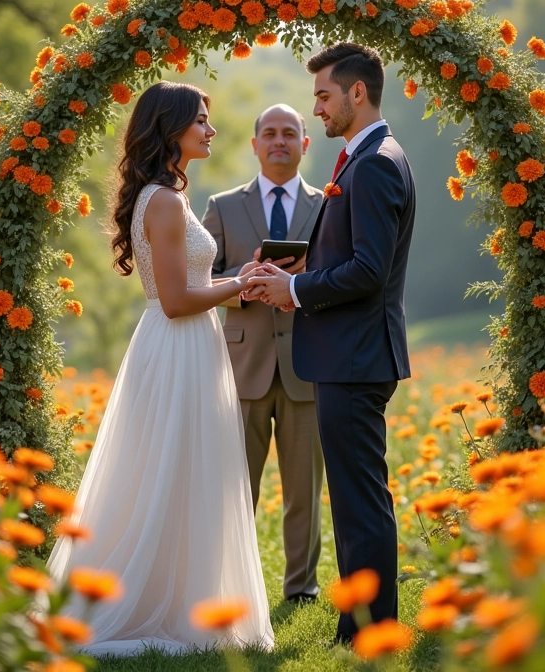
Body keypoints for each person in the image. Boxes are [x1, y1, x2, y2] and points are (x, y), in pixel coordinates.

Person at [47, 81, 274, 656]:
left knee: (179, 472)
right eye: (201, 120)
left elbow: (191, 288)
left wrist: (236, 284)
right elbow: (176, 300)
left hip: (180, 343)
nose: (211, 130)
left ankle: (179, 595)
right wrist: (239, 284)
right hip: (177, 344)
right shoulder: (167, 201)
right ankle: (161, 605)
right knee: (176, 468)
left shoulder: (163, 195)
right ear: (170, 126)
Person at [245, 43, 416, 644]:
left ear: (357, 93)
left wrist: (294, 287)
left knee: (360, 502)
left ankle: (369, 630)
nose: (316, 107)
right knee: (353, 499)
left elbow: (369, 270)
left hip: (355, 356)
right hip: (352, 353)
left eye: (322, 95)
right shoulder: (366, 156)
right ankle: (361, 624)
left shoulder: (372, 163)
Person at [202, 104, 324, 605]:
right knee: (235, 491)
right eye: (270, 133)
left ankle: (302, 591)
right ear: (254, 145)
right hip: (241, 369)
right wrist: (245, 285)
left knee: (304, 495)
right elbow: (197, 281)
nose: (279, 141)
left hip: (309, 366)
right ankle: (231, 587)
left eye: (289, 133)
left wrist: (300, 282)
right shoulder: (224, 205)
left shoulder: (329, 206)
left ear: (304, 144)